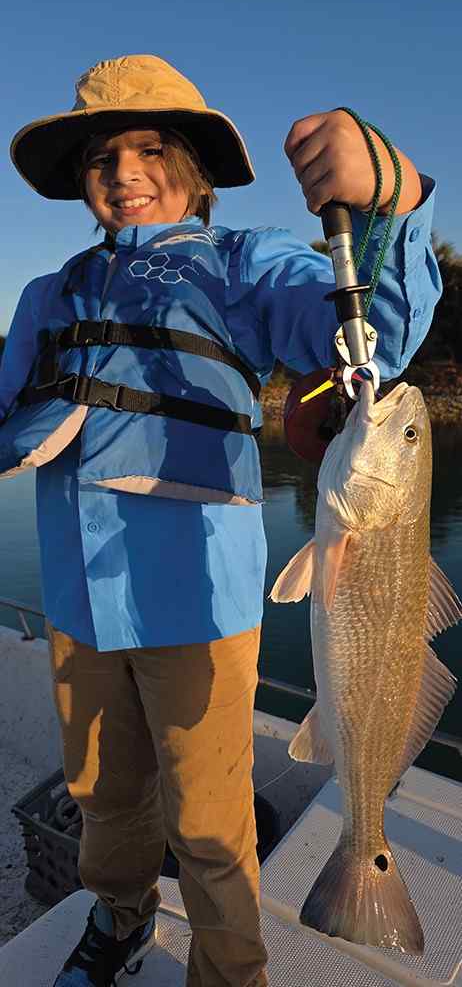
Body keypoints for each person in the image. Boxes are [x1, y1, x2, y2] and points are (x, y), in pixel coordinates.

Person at [2, 54, 439, 987]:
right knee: (105, 799)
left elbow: (374, 335)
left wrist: (391, 201)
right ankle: (118, 916)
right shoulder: (48, 297)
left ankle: (231, 970)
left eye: (150, 147)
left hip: (200, 609)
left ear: (193, 167)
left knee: (209, 817)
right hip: (77, 606)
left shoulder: (244, 265)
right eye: (101, 156)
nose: (123, 171)